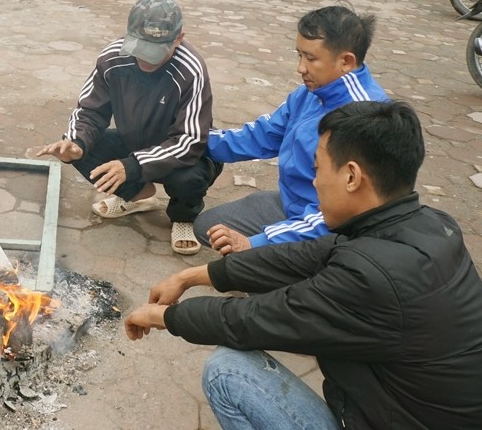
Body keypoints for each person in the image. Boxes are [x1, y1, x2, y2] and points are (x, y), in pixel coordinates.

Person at [125, 100, 482, 429]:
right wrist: (191, 277)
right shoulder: (431, 223)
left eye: (318, 169)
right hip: (403, 405)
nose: (314, 181)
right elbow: (305, 256)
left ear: (352, 176)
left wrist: (162, 317)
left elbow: (253, 320)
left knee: (228, 371)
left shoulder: (372, 277)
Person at [37, 0, 222, 256]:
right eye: (140, 46)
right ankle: (139, 196)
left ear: (178, 39)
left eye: (155, 51)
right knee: (83, 150)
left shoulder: (191, 69)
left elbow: (189, 140)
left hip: (185, 153)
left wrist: (133, 165)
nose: (146, 59)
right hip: (134, 142)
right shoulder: (113, 58)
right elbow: (89, 110)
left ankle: (183, 217)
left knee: (188, 177)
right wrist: (76, 143)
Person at [194, 6, 387, 253]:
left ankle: (294, 275)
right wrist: (196, 140)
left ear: (346, 61)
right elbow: (264, 135)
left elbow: (343, 213)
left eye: (311, 58)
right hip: (293, 205)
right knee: (209, 228)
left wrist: (254, 243)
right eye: (299, 56)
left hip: (333, 228)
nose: (301, 68)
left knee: (251, 256)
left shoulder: (365, 118)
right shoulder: (312, 92)